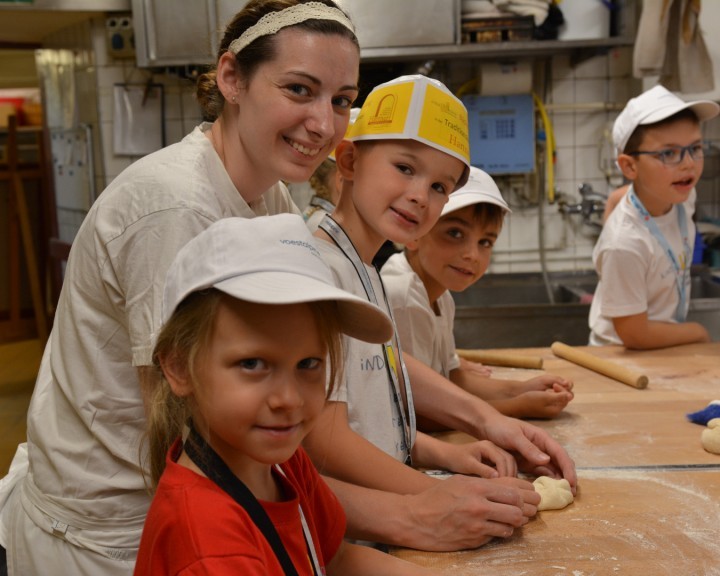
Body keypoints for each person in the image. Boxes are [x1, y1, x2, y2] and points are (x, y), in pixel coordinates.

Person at [0, 2, 362, 574]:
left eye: (341, 99)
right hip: (108, 533)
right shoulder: (174, 206)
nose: (324, 122)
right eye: (299, 89)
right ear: (231, 78)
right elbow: (183, 429)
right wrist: (409, 512)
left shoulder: (266, 192)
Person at [305, 74, 577, 551]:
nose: (420, 195)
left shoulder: (364, 266)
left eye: (438, 185)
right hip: (343, 533)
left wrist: (467, 439)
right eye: (405, 168)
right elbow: (322, 437)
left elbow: (376, 392)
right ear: (348, 159)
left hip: (378, 521)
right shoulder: (314, 269)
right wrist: (437, 492)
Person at [135, 214, 437, 575]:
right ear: (179, 368)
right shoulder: (210, 547)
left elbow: (336, 559)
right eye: (252, 364)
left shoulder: (280, 462)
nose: (289, 399)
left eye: (308, 363)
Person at [381, 166, 574, 422]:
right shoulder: (403, 296)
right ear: (414, 234)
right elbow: (412, 413)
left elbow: (451, 377)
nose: (472, 254)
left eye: (485, 242)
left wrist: (521, 389)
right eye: (455, 233)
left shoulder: (440, 295)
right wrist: (516, 408)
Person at [589, 84, 719, 349]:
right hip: (620, 356)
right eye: (668, 153)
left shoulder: (681, 195)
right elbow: (634, 334)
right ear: (629, 166)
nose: (688, 163)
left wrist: (614, 204)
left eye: (694, 148)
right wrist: (698, 332)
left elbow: (619, 195)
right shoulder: (625, 243)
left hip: (658, 346)